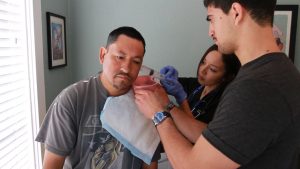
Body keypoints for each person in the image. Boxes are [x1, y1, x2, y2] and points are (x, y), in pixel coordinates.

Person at [134, 0, 300, 168]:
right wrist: (167, 105)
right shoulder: (283, 72)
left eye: (211, 19)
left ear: (236, 12)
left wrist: (158, 115)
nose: (210, 32)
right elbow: (214, 140)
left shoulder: (255, 87)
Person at [35, 26, 160, 169]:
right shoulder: (72, 99)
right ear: (102, 55)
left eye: (136, 61)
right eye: (120, 57)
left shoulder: (147, 102)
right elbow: (52, 165)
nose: (126, 68)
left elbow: (149, 163)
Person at [160, 44, 241, 124]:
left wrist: (181, 100)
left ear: (227, 77)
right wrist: (162, 77)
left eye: (212, 69)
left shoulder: (224, 103)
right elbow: (168, 83)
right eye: (203, 62)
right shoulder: (197, 84)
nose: (202, 70)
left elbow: (194, 130)